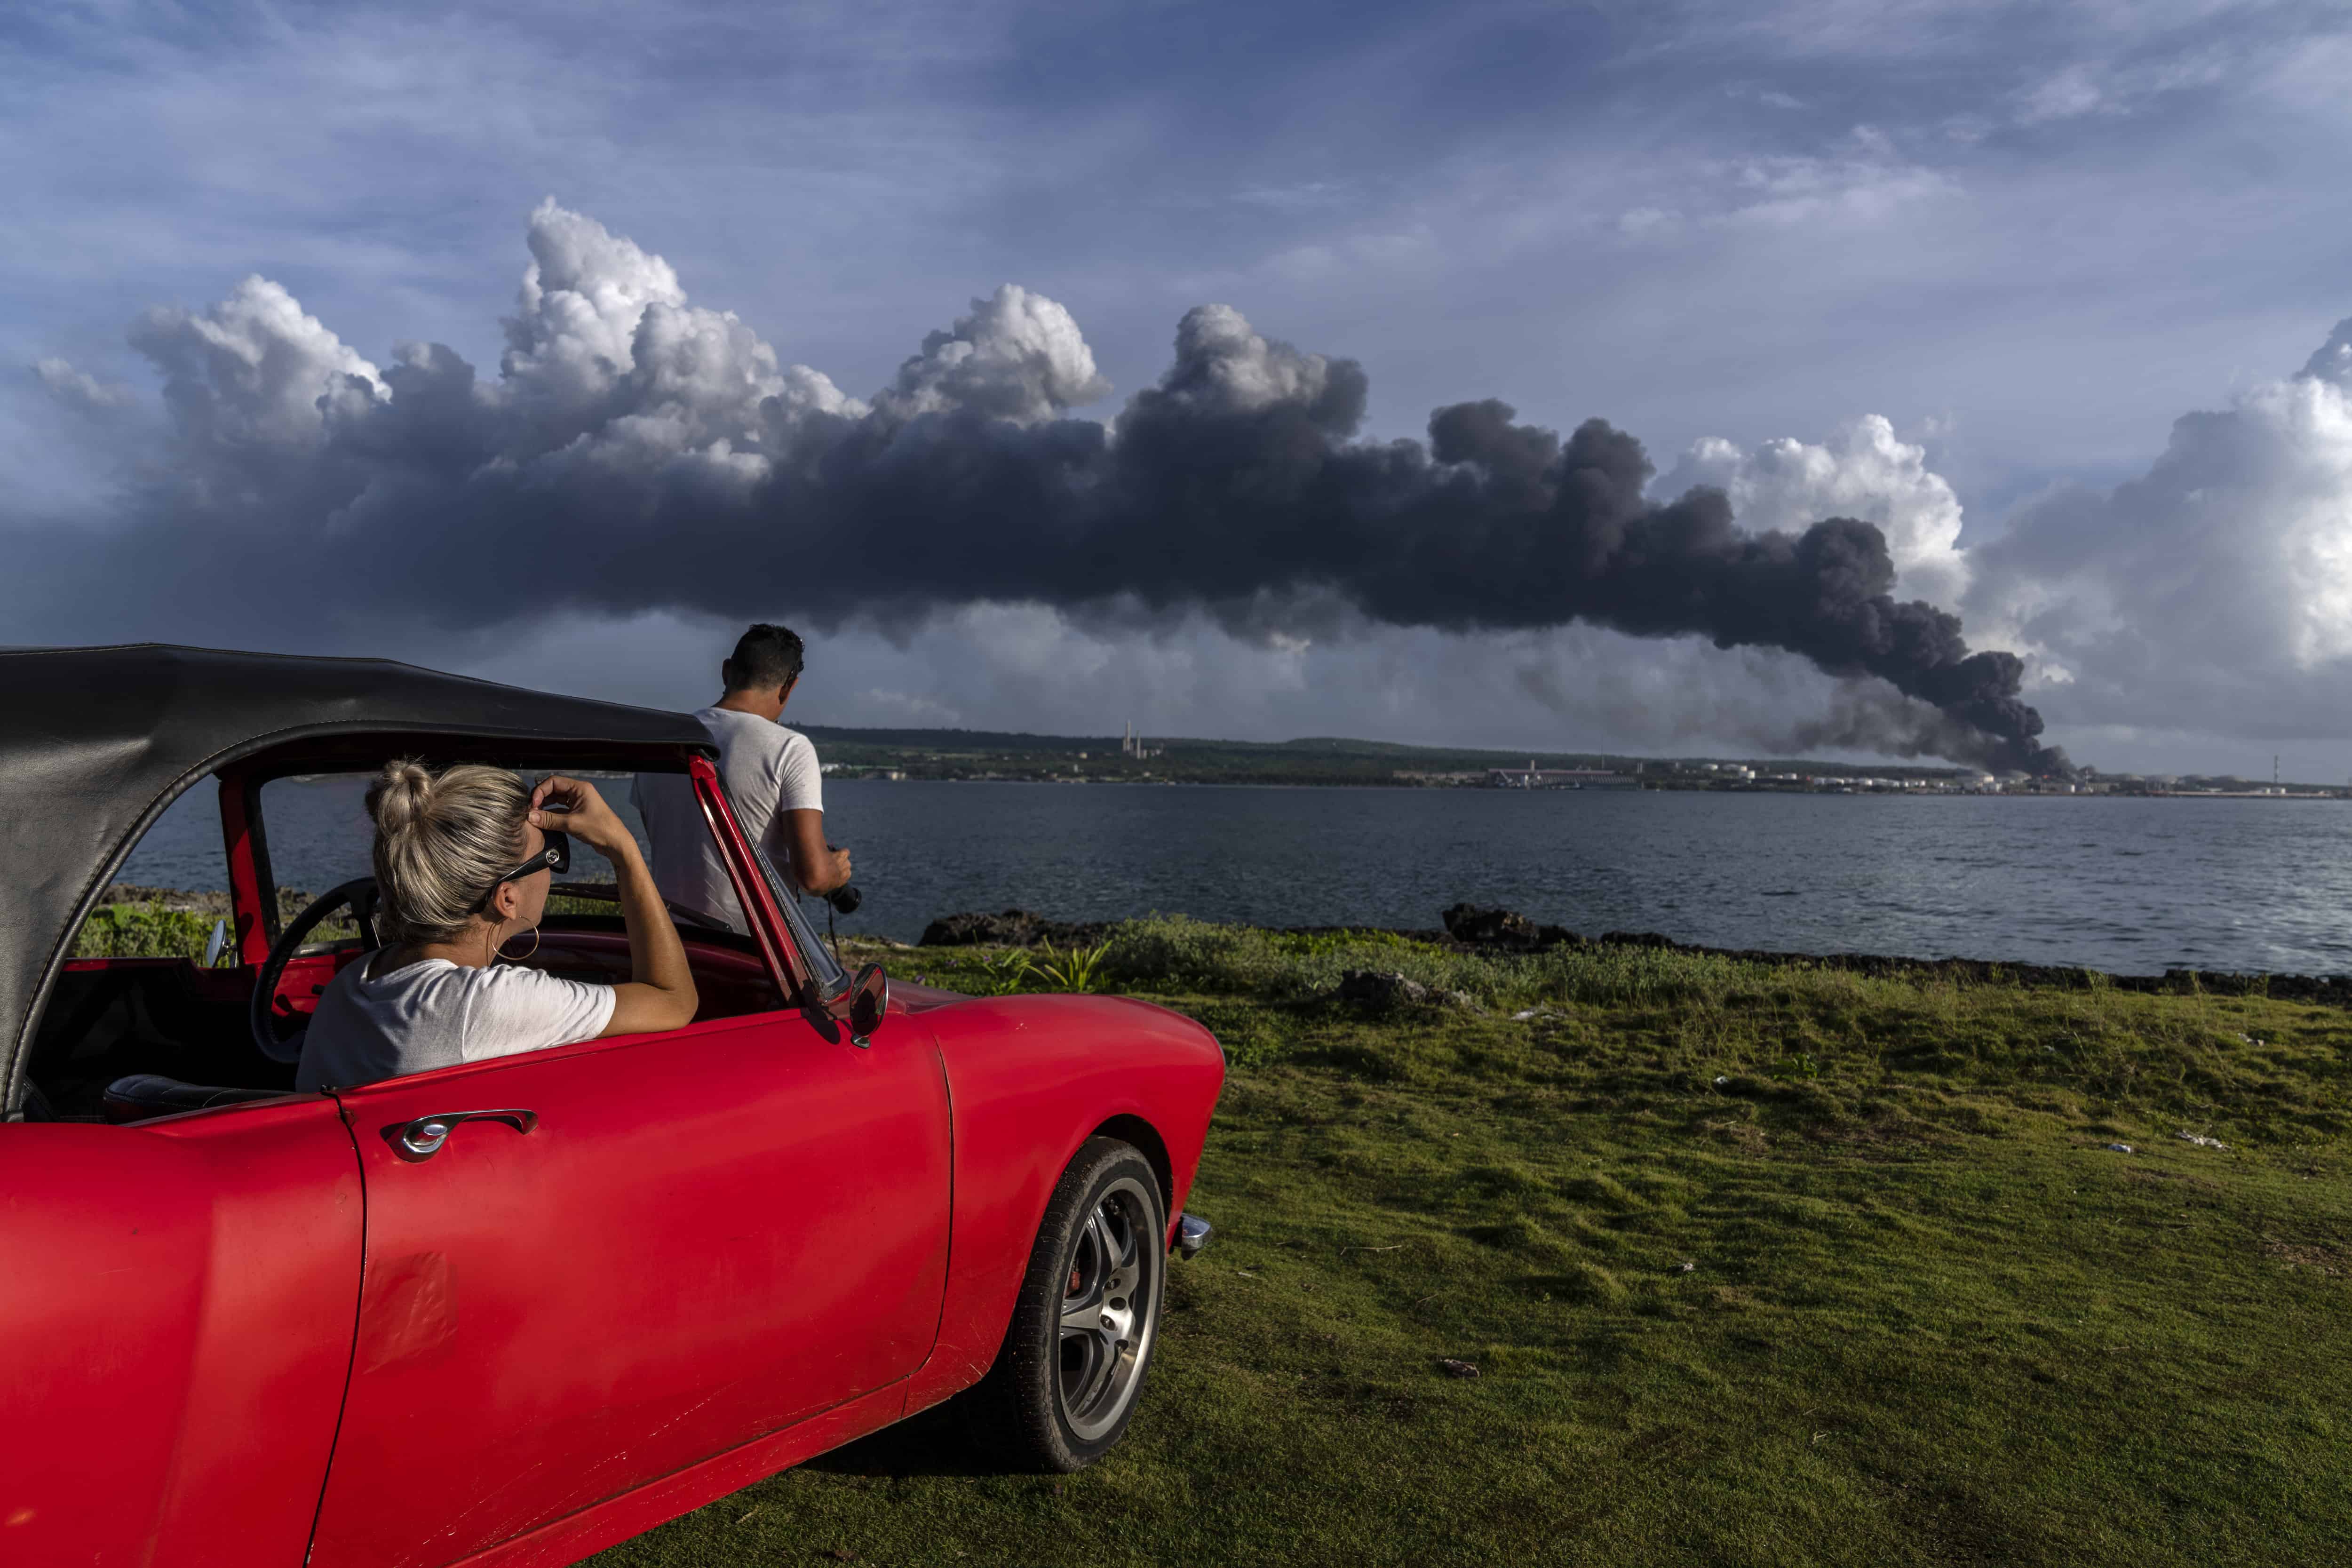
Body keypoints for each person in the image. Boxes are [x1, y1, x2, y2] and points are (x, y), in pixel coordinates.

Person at [295, 762, 698, 1092]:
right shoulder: (484, 1005)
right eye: (552, 856)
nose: (554, 872)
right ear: (507, 899)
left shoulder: (348, 985)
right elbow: (674, 1000)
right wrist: (623, 849)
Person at [632, 623, 851, 933]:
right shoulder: (790, 748)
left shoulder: (662, 743)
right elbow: (813, 876)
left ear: (726, 671)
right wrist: (836, 871)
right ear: (789, 687)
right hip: (752, 955)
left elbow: (675, 841)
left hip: (669, 945)